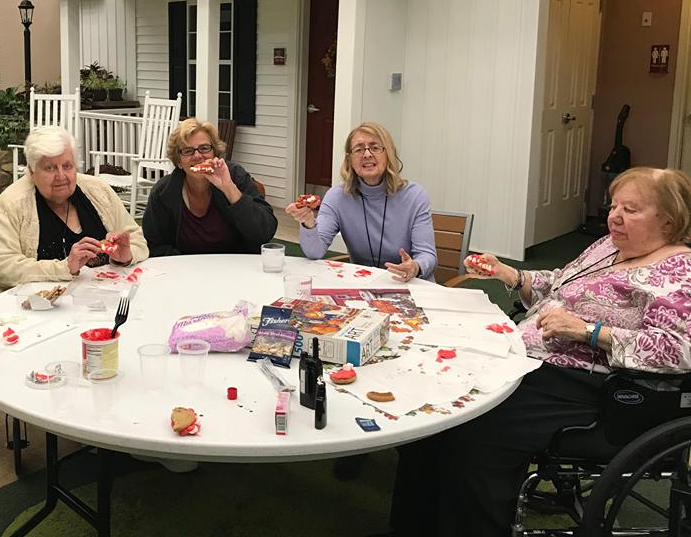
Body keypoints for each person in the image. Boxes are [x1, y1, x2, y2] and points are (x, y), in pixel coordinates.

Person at [387, 167, 691, 537]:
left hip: (590, 387)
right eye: (614, 206)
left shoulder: (679, 271)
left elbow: (678, 349)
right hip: (530, 360)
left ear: (669, 220)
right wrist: (511, 275)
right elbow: (561, 283)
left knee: (473, 434)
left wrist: (590, 332)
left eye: (631, 209)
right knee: (434, 411)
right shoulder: (610, 245)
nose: (614, 216)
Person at [0, 126, 148, 291]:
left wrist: (126, 255)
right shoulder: (11, 203)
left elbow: (137, 240)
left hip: (104, 297)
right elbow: (2, 268)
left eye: (67, 166)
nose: (61, 176)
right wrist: (64, 268)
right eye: (50, 168)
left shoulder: (99, 190)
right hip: (35, 303)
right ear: (32, 172)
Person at [285, 122, 437, 282]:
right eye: (358, 149)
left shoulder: (414, 196)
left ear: (389, 154)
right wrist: (308, 223)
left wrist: (415, 267)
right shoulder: (337, 197)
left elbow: (427, 255)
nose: (367, 154)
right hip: (362, 285)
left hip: (408, 284)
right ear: (349, 159)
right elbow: (314, 252)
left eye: (375, 147)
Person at [143, 118, 277, 256]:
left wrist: (229, 188)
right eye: (188, 151)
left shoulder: (235, 175)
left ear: (214, 153)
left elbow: (265, 232)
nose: (197, 156)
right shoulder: (162, 192)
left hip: (236, 264)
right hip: (185, 267)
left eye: (204, 148)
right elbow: (155, 246)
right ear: (179, 162)